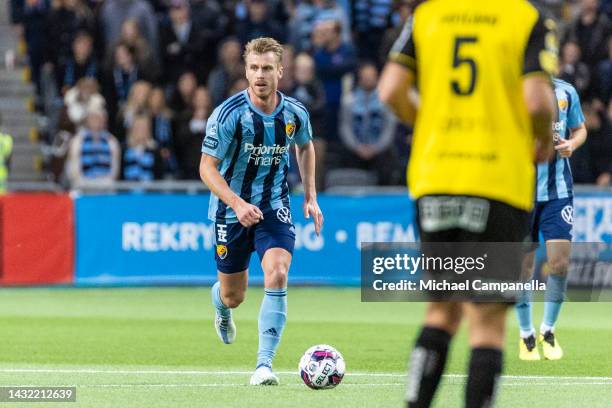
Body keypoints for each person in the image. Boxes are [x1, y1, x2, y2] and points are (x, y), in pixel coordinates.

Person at [378, 1, 558, 407]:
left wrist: (429, 125)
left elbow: (389, 90)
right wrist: (543, 138)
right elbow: (537, 102)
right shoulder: (525, 17)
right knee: (487, 322)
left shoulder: (428, 16)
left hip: (435, 176)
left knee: (441, 313)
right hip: (498, 181)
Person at [199, 37, 323, 386]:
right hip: (230, 211)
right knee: (233, 296)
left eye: (267, 68)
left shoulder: (294, 112)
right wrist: (237, 204)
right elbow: (207, 168)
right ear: (246, 71)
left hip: (273, 205)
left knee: (278, 273)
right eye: (254, 68)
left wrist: (310, 195)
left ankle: (264, 365)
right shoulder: (228, 115)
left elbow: (305, 146)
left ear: (280, 72)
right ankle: (220, 305)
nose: (260, 74)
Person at [516, 77, 587, 361]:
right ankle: (526, 336)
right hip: (520, 193)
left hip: (558, 193)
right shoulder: (515, 89)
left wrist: (572, 144)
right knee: (523, 266)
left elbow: (580, 129)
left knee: (559, 262)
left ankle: (548, 330)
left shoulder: (566, 91)